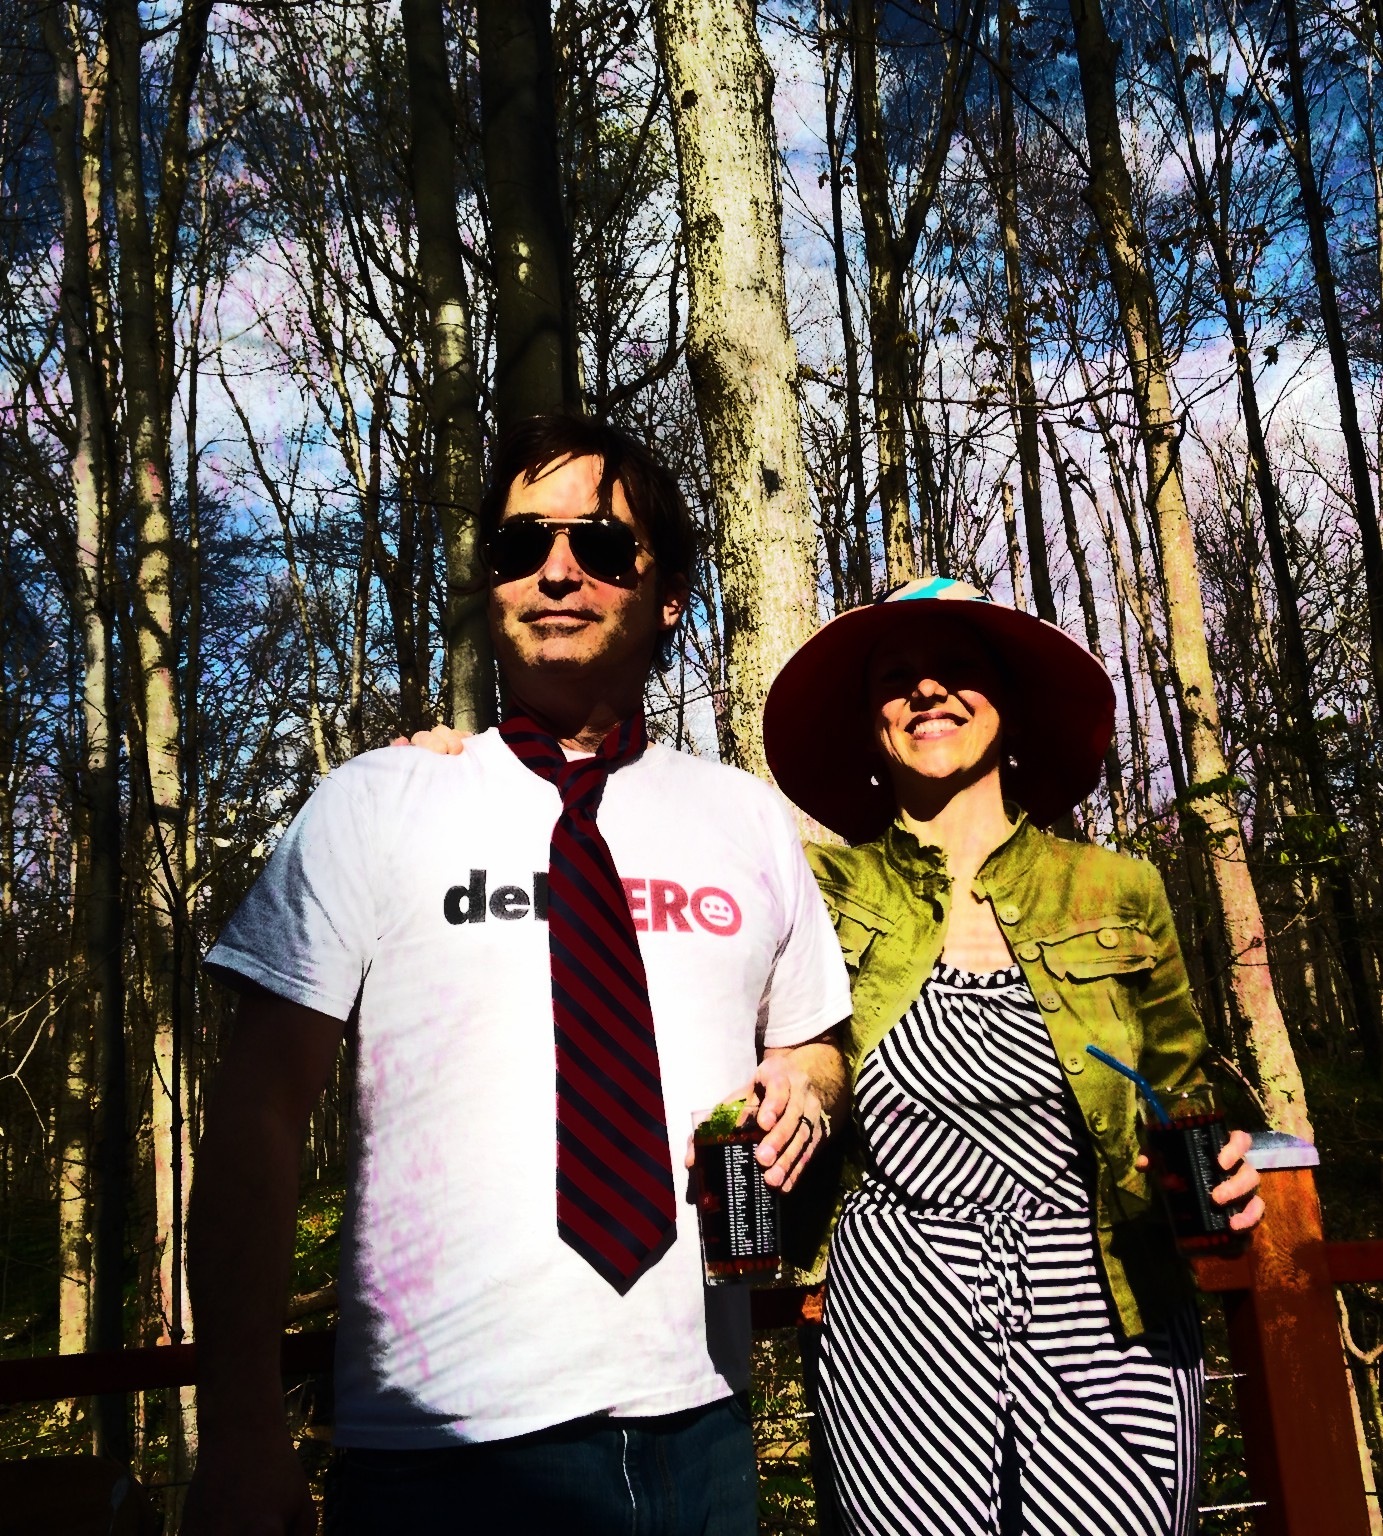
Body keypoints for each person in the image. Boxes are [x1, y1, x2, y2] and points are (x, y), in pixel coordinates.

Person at [181, 415, 851, 1536]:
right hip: (438, 1452)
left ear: (670, 593)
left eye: (600, 543)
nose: (555, 570)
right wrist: (242, 1428)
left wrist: (810, 1093)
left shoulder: (746, 818)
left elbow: (816, 1043)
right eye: (519, 545)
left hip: (704, 1431)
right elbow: (255, 1117)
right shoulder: (377, 804)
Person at [761, 576, 1265, 1536]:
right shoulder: (812, 887)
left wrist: (1223, 1163)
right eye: (895, 676)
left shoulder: (1116, 887)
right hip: (898, 1305)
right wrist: (457, 776)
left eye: (958, 669)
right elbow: (654, 874)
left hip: (1106, 1289)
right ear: (867, 724)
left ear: (1009, 704)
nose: (925, 691)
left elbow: (1181, 1091)